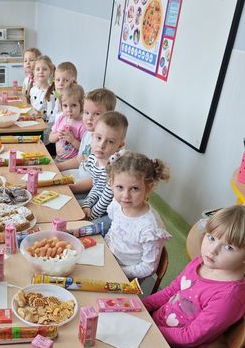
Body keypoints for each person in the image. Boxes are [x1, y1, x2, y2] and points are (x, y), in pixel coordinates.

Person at [143, 205, 245, 348]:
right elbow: (171, 291)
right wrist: (142, 306)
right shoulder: (200, 262)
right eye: (211, 238)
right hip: (155, 325)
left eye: (228, 247)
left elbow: (190, 336)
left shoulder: (228, 297)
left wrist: (150, 329)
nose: (212, 250)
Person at [105, 152, 171, 280]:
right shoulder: (117, 205)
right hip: (108, 259)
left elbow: (148, 268)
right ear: (111, 184)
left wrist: (118, 271)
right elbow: (113, 233)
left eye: (134, 188)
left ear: (149, 187)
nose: (126, 195)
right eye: (120, 187)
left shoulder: (151, 228)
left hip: (126, 275)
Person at [59, 88, 117, 197]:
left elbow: (97, 180)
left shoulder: (106, 144)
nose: (89, 118)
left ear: (109, 116)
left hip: (89, 191)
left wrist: (73, 188)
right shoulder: (87, 135)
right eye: (86, 112)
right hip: (78, 176)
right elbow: (79, 160)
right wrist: (58, 167)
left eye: (96, 114)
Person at [80, 111, 128, 222]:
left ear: (120, 146)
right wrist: (87, 205)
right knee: (75, 207)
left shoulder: (116, 167)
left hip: (116, 213)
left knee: (89, 226)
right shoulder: (93, 159)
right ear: (93, 136)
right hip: (100, 204)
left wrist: (90, 216)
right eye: (98, 138)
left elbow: (107, 198)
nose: (101, 145)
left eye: (110, 142)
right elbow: (96, 188)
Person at [48, 84, 85, 162]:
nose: (69, 110)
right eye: (65, 105)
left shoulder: (82, 125)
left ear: (81, 106)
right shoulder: (61, 118)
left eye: (73, 105)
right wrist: (58, 134)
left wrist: (73, 140)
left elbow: (84, 150)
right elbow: (50, 139)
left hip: (72, 162)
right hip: (58, 158)